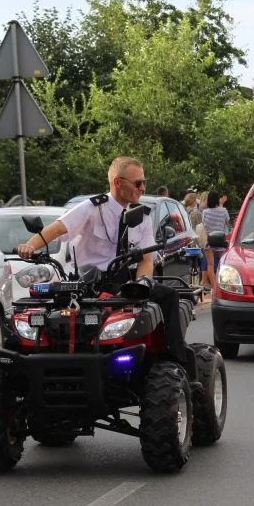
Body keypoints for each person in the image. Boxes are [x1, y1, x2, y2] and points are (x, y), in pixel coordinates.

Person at [16, 156, 189, 364]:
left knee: (169, 296)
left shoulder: (142, 216)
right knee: (38, 313)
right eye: (138, 183)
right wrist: (30, 246)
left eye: (144, 182)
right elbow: (56, 229)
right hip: (87, 283)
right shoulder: (92, 208)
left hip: (123, 283)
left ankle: (176, 363)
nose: (143, 188)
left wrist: (142, 282)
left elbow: (146, 259)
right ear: (118, 182)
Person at [201, 190, 231, 288]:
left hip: (210, 240)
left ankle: (214, 287)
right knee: (222, 264)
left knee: (210, 264)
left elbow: (204, 226)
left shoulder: (205, 212)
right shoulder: (224, 210)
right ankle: (222, 285)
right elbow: (227, 223)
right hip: (221, 240)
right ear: (218, 200)